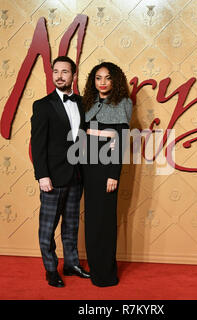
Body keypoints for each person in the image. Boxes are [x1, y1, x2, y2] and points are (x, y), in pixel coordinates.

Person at [30, 56, 90, 288]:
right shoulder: (43, 105)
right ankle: (50, 269)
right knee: (47, 227)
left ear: (73, 76)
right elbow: (37, 144)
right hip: (52, 178)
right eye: (56, 71)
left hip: (77, 175)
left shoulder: (84, 103)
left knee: (72, 224)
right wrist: (42, 175)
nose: (60, 76)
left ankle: (71, 264)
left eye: (65, 72)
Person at [82, 62, 132, 287]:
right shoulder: (89, 103)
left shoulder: (123, 103)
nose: (102, 82)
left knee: (105, 221)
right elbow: (83, 134)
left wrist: (114, 174)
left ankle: (106, 274)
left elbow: (120, 140)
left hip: (106, 169)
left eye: (107, 78)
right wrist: (98, 133)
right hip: (87, 166)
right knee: (92, 221)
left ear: (115, 81)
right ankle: (95, 270)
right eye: (98, 78)